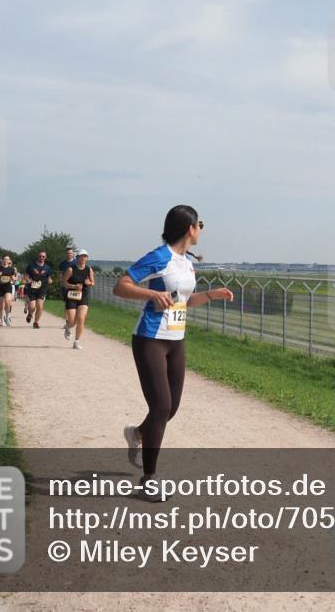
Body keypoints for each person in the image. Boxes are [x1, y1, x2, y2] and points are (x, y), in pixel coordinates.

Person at [112, 205, 229, 499]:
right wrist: (151, 293)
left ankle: (137, 433)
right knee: (161, 407)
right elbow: (121, 286)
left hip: (176, 341)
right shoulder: (159, 256)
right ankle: (149, 479)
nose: (201, 229)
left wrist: (211, 295)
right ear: (189, 228)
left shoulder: (186, 262)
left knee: (170, 409)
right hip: (150, 339)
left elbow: (182, 302)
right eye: (199, 223)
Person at [62, 249, 94, 350]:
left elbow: (93, 282)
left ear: (87, 258)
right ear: (77, 258)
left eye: (85, 256)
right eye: (81, 256)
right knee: (72, 321)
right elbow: (64, 283)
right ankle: (67, 327)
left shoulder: (89, 269)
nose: (83, 258)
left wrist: (89, 283)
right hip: (71, 295)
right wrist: (73, 286)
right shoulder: (71, 269)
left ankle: (76, 342)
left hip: (83, 296)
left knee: (81, 318)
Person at [24, 251, 53, 328]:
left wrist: (50, 280)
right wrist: (27, 280)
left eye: (43, 256)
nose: (41, 258)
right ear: (37, 256)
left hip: (42, 289)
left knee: (40, 306)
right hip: (32, 289)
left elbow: (49, 278)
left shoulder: (47, 267)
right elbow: (26, 275)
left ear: (45, 257)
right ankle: (30, 313)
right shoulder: (31, 265)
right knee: (33, 307)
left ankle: (36, 322)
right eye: (40, 256)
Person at [0, 255, 18, 326]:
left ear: (9, 261)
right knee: (1, 305)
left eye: (7, 259)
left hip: (8, 287)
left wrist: (14, 279)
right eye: (4, 259)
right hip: (0, 288)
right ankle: (2, 321)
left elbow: (13, 277)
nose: (5, 261)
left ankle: (7, 318)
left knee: (7, 302)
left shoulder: (11, 269)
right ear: (2, 260)